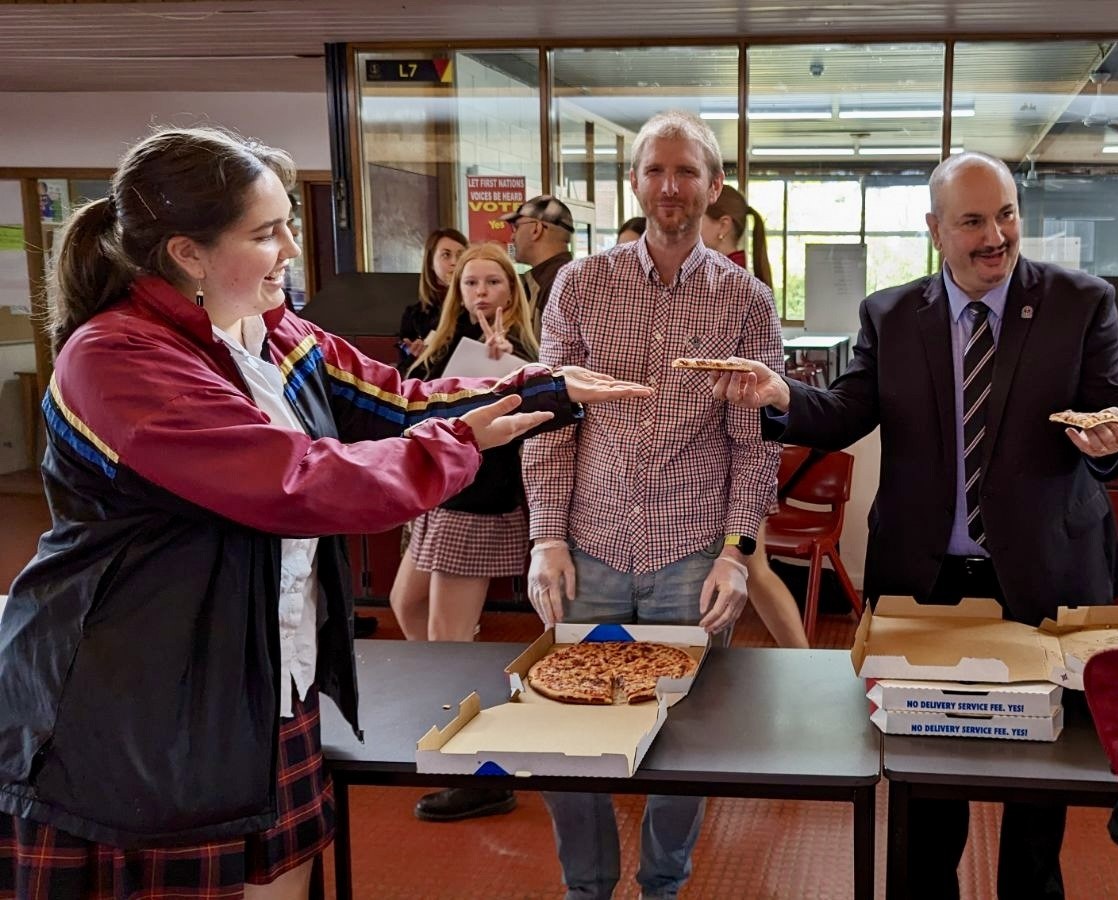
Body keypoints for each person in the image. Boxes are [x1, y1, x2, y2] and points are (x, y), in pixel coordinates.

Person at [0, 127, 649, 900]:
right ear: (188, 253)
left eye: (289, 226)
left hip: (264, 680)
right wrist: (458, 446)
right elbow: (296, 483)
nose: (290, 249)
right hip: (137, 703)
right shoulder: (117, 358)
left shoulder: (275, 334)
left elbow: (396, 400)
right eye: (267, 232)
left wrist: (547, 389)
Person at [712, 150, 1118, 900]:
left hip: (1047, 580)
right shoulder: (891, 314)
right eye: (973, 221)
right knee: (924, 793)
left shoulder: (1081, 303)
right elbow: (848, 412)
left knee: (1036, 804)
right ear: (934, 230)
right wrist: (781, 394)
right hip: (927, 586)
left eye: (1006, 214)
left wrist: (1116, 440)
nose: (996, 236)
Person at [525, 110, 783, 900]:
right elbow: (548, 417)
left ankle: (663, 885)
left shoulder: (745, 300)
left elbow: (757, 444)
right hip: (589, 545)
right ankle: (587, 887)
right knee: (568, 730)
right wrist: (544, 539)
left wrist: (737, 554)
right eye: (656, 171)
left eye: (688, 172)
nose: (671, 187)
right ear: (635, 182)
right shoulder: (581, 283)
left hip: (693, 555)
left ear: (712, 186)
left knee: (686, 739)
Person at [396, 242, 543, 823]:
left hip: (479, 503)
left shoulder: (525, 355)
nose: (481, 293)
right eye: (471, 284)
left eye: (494, 283)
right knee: (408, 609)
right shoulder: (441, 349)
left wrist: (509, 365)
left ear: (513, 291)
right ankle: (466, 711)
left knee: (446, 637)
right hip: (438, 499)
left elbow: (538, 420)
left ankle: (480, 773)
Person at [699, 185, 807, 649]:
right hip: (733, 456)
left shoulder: (731, 286)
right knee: (755, 567)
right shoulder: (740, 274)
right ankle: (803, 660)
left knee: (754, 565)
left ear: (722, 225)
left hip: (734, 456)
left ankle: (804, 661)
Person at [399, 227, 467, 369]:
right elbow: (403, 372)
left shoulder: (477, 307)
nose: (454, 262)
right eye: (446, 255)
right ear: (431, 263)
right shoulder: (415, 315)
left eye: (461, 255)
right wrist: (414, 356)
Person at [502, 194, 575, 319]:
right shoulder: (564, 279)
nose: (512, 237)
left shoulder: (556, 286)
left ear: (536, 229)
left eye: (516, 227)